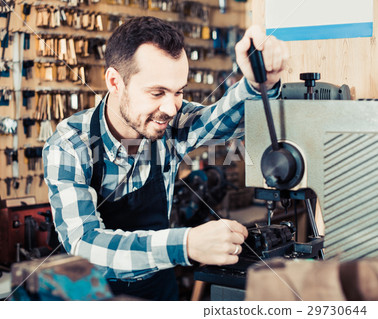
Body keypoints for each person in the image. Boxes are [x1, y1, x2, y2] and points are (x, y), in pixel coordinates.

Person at [43, 16, 288, 300]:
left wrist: (260, 82)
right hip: (91, 298)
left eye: (178, 92)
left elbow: (221, 120)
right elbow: (83, 246)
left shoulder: (167, 124)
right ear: (114, 82)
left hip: (158, 291)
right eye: (157, 92)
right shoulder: (70, 145)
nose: (171, 108)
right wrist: (184, 245)